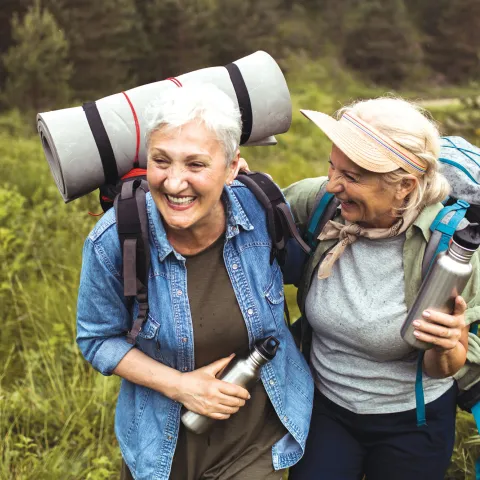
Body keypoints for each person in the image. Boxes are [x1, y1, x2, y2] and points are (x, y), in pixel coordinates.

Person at [76, 83, 313, 480]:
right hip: (159, 447)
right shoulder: (116, 238)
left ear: (233, 167)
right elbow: (96, 338)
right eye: (161, 161)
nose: (173, 183)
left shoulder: (262, 211)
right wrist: (180, 386)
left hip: (255, 444)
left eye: (196, 165)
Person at [280, 97, 480, 480]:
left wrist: (448, 345)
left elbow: (444, 367)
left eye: (353, 177)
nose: (334, 184)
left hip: (412, 421)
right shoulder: (322, 203)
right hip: (325, 409)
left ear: (404, 186)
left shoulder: (451, 247)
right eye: (332, 166)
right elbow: (241, 215)